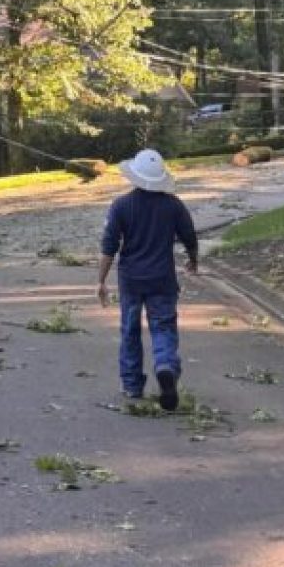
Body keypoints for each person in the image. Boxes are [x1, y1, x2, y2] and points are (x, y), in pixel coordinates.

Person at [97, 149, 198, 410]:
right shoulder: (173, 205)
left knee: (129, 330)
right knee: (163, 327)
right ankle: (165, 366)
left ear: (135, 176)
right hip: (162, 278)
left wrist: (101, 280)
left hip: (131, 279)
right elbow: (189, 235)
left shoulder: (121, 205)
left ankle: (131, 385)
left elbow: (109, 246)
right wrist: (192, 259)